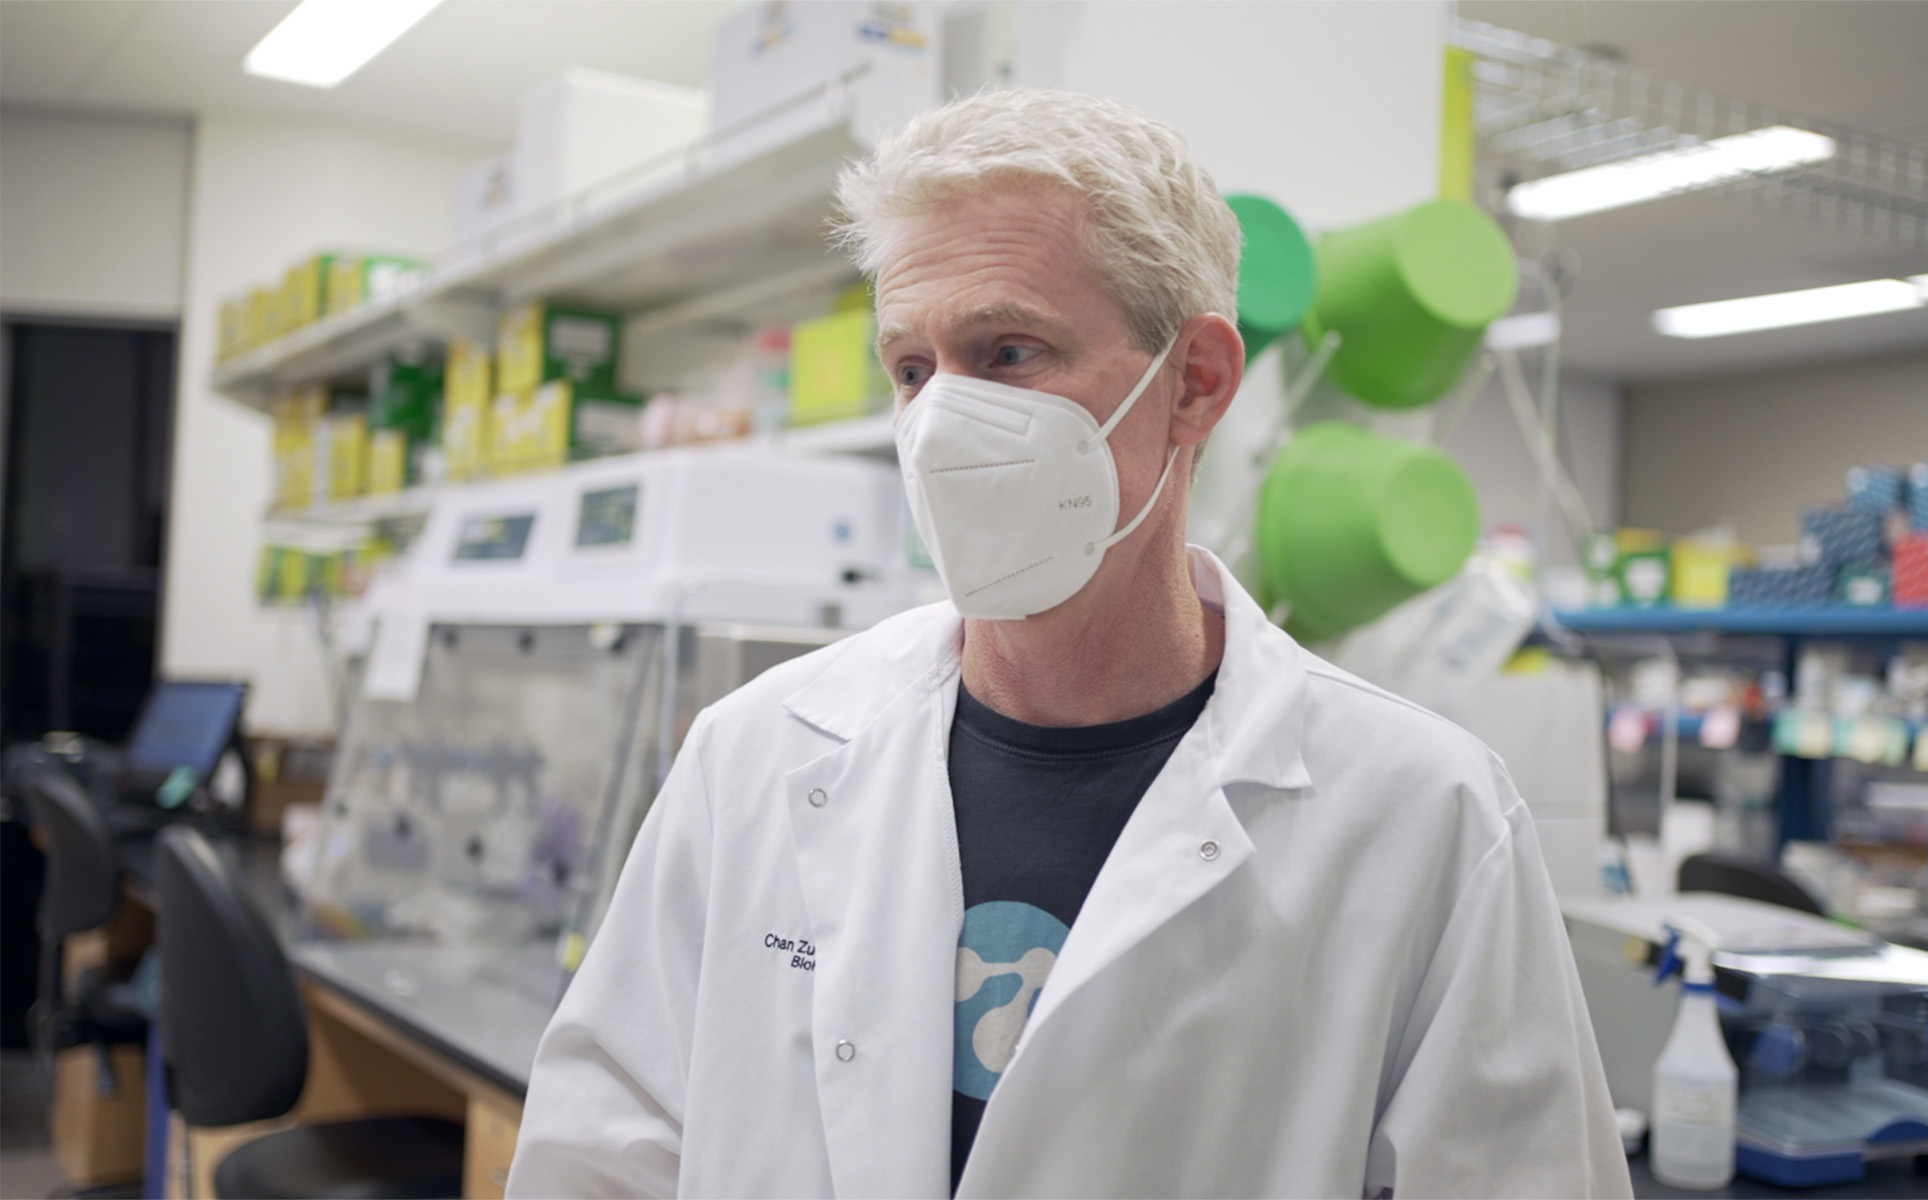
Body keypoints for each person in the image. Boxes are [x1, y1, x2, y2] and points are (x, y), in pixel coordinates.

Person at [509, 88, 1630, 1199]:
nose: (941, 423)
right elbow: (600, 1151)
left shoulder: (1425, 814)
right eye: (912, 368)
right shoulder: (754, 753)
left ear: (1195, 384)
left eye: (1007, 353)